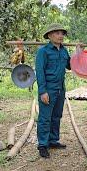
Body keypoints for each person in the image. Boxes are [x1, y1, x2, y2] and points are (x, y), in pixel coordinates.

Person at [35, 23, 71, 158]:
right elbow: (40, 72)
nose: (60, 36)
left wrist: (79, 53)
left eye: (62, 33)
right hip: (48, 88)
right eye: (57, 33)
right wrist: (42, 91)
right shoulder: (43, 51)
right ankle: (43, 145)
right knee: (45, 118)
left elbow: (70, 65)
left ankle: (53, 140)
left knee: (56, 116)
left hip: (60, 89)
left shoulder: (64, 51)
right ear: (49, 35)